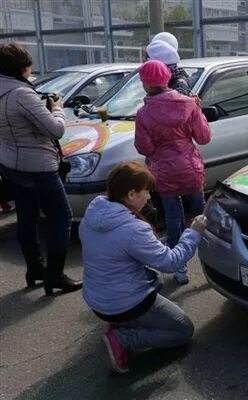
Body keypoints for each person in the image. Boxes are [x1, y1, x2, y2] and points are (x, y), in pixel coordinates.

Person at [79, 161, 207, 374]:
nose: (149, 197)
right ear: (131, 194)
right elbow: (171, 262)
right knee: (183, 330)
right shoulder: (132, 229)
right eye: (146, 191)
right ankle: (123, 338)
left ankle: (121, 323)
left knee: (153, 277)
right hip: (121, 303)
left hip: (97, 299)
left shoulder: (92, 215)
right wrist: (193, 233)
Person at [0, 43, 81, 294]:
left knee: (27, 216)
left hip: (10, 163)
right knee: (62, 217)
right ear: (23, 68)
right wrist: (57, 109)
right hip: (37, 166)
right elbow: (55, 130)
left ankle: (35, 269)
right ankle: (54, 276)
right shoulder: (22, 94)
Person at [134, 60, 211, 285]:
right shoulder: (189, 104)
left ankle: (180, 268)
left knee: (173, 218)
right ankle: (211, 261)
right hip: (191, 169)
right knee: (203, 215)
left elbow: (144, 147)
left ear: (146, 85)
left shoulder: (144, 113)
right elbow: (204, 137)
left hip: (164, 172)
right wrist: (198, 108)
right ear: (167, 78)